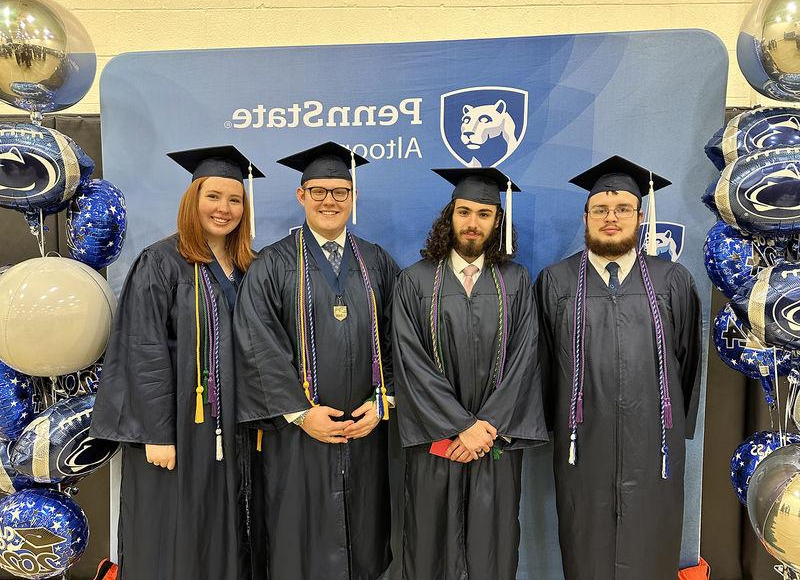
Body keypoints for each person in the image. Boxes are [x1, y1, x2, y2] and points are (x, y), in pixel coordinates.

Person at [90, 145, 262, 580]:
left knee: (223, 523)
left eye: (234, 199)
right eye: (213, 197)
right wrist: (156, 433)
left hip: (230, 425)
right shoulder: (162, 262)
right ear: (192, 200)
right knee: (173, 528)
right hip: (178, 428)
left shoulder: (248, 267)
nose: (224, 209)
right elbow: (143, 352)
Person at [234, 141, 399, 580]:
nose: (330, 200)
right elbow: (256, 342)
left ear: (354, 198)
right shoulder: (272, 264)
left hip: (365, 430)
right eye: (319, 191)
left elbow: (402, 338)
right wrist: (300, 413)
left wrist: (385, 402)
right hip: (297, 437)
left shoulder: (377, 262)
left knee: (363, 537)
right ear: (301, 196)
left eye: (340, 191)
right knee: (298, 543)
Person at [535, 155, 703, 580]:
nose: (612, 218)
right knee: (584, 541)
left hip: (654, 443)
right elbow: (543, 365)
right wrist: (556, 424)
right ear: (586, 216)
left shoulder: (672, 281)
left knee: (651, 542)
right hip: (582, 443)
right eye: (601, 210)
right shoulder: (556, 281)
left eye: (623, 209)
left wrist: (671, 423)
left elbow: (687, 362)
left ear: (640, 217)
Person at [391, 167, 547, 580]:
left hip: (494, 443)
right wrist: (460, 427)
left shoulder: (516, 281)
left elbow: (525, 359)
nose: (472, 223)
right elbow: (410, 362)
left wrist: (487, 427)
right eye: (464, 212)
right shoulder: (414, 280)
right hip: (437, 442)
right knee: (428, 543)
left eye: (484, 214)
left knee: (491, 546)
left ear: (498, 222)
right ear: (450, 217)